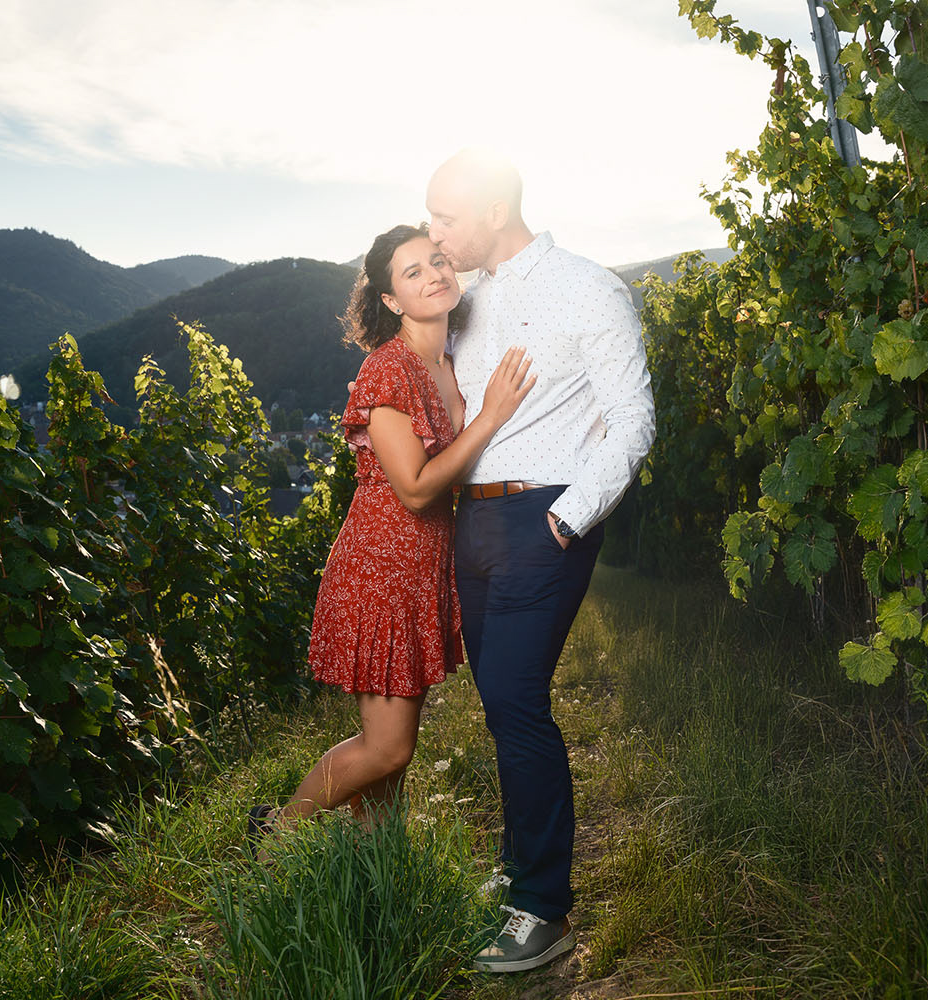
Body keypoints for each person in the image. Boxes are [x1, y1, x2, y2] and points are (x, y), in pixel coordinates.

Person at [426, 149, 655, 974]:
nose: (434, 233)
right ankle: (521, 865)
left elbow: (633, 418)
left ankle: (544, 909)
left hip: (544, 518)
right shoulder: (466, 303)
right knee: (500, 704)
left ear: (494, 210)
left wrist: (565, 520)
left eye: (446, 217)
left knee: (519, 702)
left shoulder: (589, 288)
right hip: (475, 524)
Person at [251, 223, 535, 839]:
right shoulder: (388, 369)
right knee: (388, 747)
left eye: (437, 261)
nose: (434, 275)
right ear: (390, 300)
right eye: (413, 272)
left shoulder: (449, 361)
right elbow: (415, 487)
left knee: (392, 757)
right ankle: (274, 838)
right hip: (381, 566)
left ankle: (377, 862)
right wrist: (489, 418)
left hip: (420, 567)